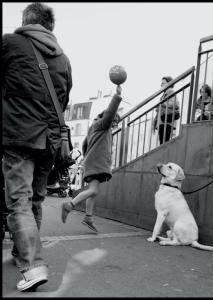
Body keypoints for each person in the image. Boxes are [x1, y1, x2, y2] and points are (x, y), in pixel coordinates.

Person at [2, 3, 72, 292]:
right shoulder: (64, 59)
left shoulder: (10, 43)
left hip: (19, 134)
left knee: (18, 201)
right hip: (51, 140)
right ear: (50, 26)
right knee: (35, 201)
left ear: (26, 21)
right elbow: (64, 100)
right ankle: (21, 253)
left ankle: (32, 266)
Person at [61, 86, 123, 232]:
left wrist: (87, 156)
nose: (114, 124)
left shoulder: (95, 127)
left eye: (116, 123)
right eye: (114, 121)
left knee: (93, 191)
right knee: (93, 191)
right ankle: (70, 205)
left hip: (93, 161)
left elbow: (84, 144)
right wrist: (117, 97)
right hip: (96, 162)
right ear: (107, 118)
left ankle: (88, 217)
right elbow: (110, 113)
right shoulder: (102, 125)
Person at [153, 76, 180, 144]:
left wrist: (162, 104)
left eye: (163, 83)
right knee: (163, 142)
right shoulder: (164, 94)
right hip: (163, 121)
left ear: (169, 84)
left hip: (166, 121)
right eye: (161, 83)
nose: (161, 85)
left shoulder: (170, 91)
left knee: (164, 143)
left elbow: (175, 104)